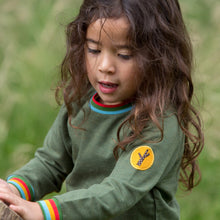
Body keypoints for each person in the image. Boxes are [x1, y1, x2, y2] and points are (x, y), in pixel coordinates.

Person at [0, 0, 204, 219]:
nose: (105, 66)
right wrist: (13, 190)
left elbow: (118, 192)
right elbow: (51, 162)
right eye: (94, 50)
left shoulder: (159, 123)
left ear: (158, 57)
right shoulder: (80, 101)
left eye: (124, 55)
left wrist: (44, 211)